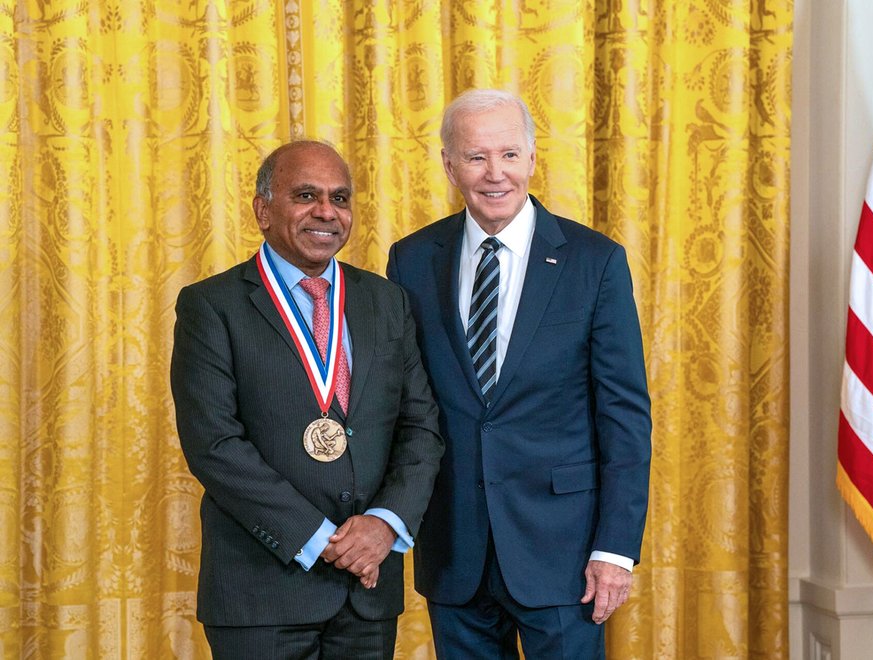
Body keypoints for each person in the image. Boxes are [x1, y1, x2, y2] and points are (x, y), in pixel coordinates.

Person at [386, 89, 652, 659]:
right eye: (477, 157)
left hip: (566, 551)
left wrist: (616, 548)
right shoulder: (410, 259)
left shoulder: (594, 261)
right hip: (455, 546)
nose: (494, 174)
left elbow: (625, 415)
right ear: (449, 165)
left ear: (532, 159)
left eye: (508, 155)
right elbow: (408, 401)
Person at [171, 140, 444, 660]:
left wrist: (384, 525)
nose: (326, 211)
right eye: (306, 195)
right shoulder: (212, 306)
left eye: (340, 199)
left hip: (368, 592)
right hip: (260, 595)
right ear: (263, 210)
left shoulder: (386, 301)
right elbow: (215, 445)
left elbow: (421, 427)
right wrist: (322, 540)